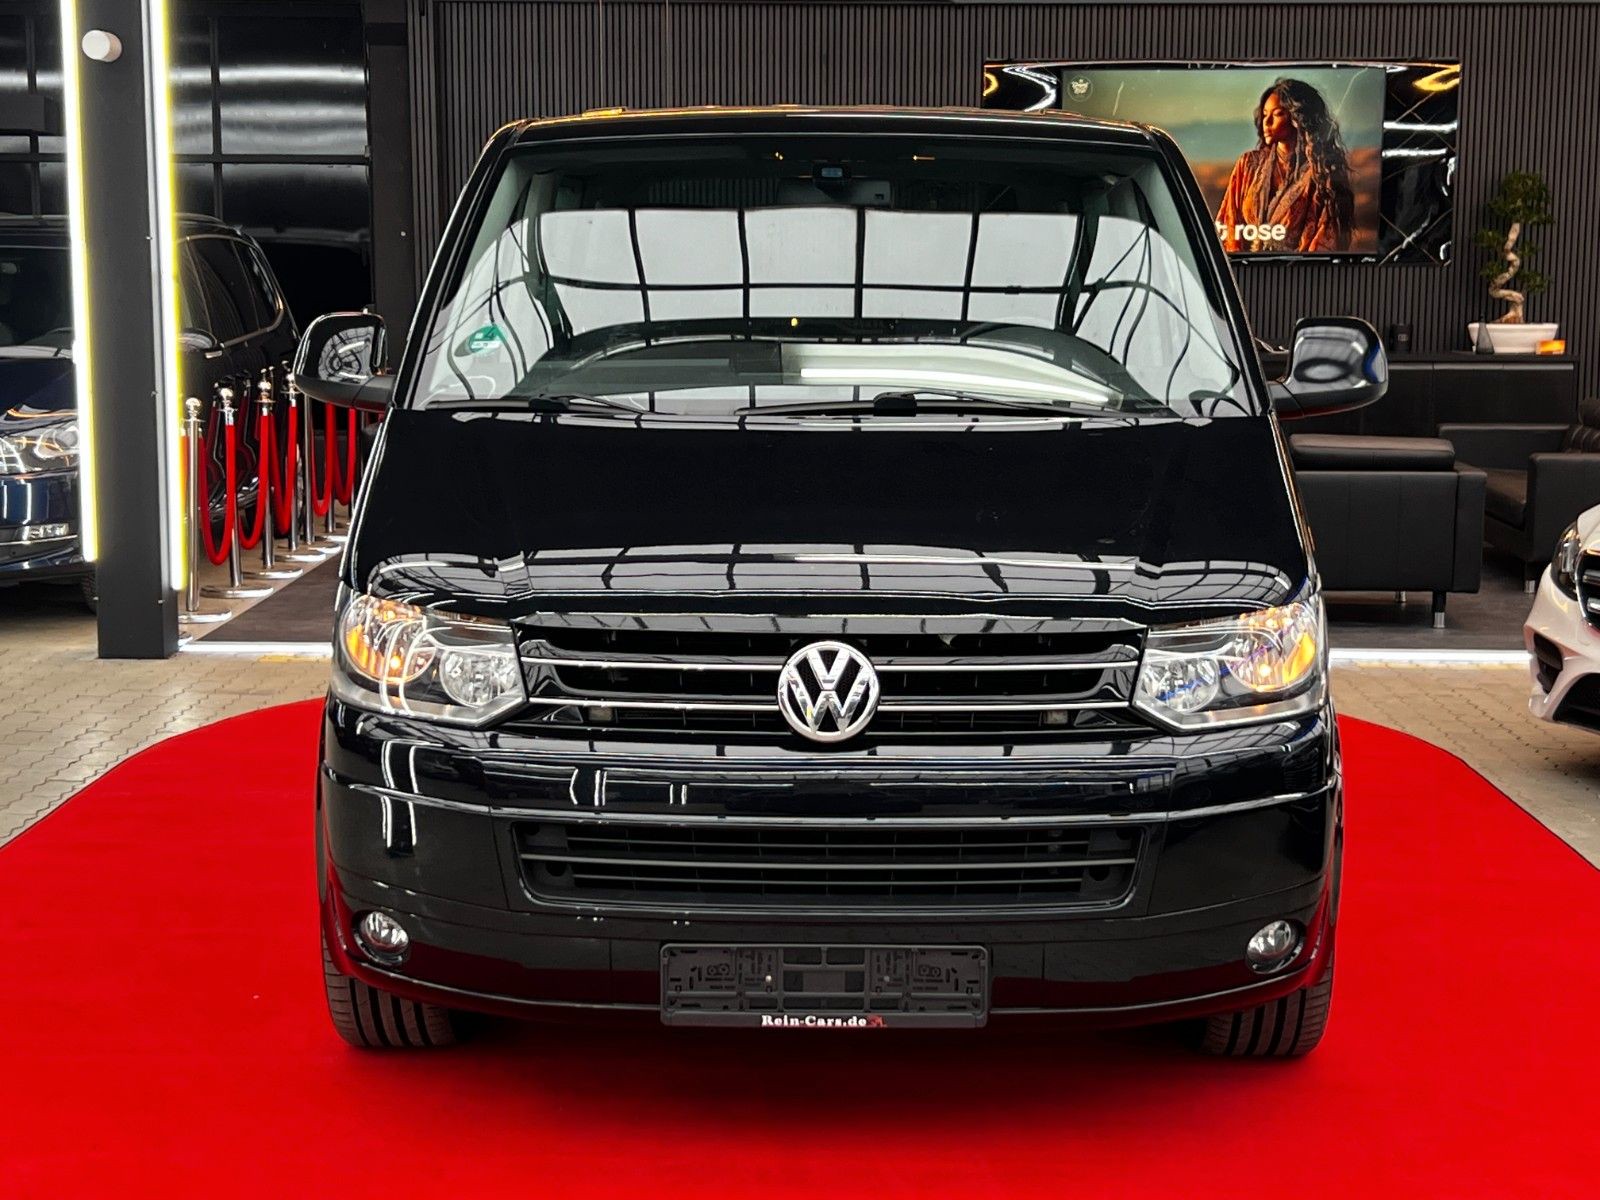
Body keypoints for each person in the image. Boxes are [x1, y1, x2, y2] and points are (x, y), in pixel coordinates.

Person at [1215, 78, 1355, 254]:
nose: (1267, 122)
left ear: (1298, 118)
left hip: (1296, 269)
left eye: (1277, 114)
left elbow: (1326, 238)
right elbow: (1228, 224)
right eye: (1265, 114)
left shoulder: (1321, 173)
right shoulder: (1248, 165)